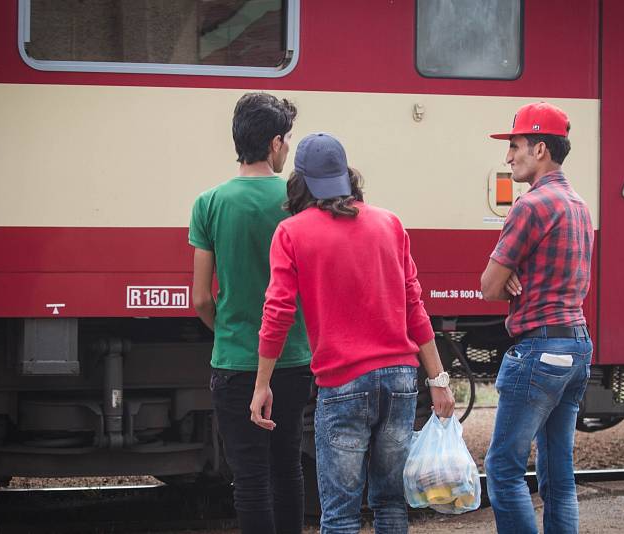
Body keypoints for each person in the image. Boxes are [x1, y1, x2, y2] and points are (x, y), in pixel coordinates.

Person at [249, 132, 456, 534]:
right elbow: (415, 307)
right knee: (391, 504)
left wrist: (262, 385)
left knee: (341, 515)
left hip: (343, 383)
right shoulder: (389, 224)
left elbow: (277, 314)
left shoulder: (291, 232)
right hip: (399, 381)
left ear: (301, 182)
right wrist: (438, 380)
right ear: (346, 176)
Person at [189, 92, 312, 534]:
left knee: (251, 479)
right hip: (294, 357)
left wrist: (226, 330)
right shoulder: (298, 200)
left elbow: (201, 297)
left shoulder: (209, 203)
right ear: (275, 143)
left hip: (236, 360)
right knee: (288, 470)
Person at [480, 102, 594, 534]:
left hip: (539, 350)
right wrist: (515, 273)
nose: (509, 157)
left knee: (504, 469)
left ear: (540, 148)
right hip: (577, 345)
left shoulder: (530, 207)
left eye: (516, 146)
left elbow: (490, 286)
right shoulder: (579, 205)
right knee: (559, 477)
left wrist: (508, 275)